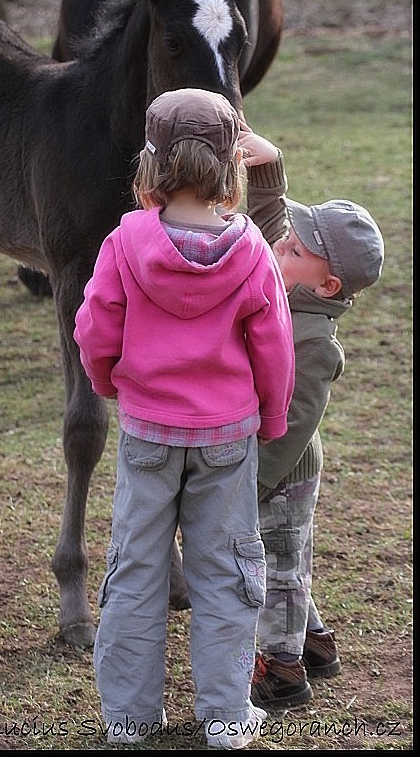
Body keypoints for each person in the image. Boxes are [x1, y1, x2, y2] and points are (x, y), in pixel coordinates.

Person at [74, 88, 295, 748]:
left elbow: (93, 329)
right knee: (225, 571)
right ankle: (225, 717)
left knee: (134, 569)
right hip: (227, 436)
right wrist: (272, 416)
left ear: (153, 164)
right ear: (229, 169)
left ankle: (130, 718)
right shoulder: (252, 248)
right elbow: (274, 343)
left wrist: (108, 381)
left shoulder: (124, 240)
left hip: (146, 430)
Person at [238, 121, 384, 713]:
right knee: (287, 560)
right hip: (267, 458)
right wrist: (267, 166)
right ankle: (316, 644)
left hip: (285, 468)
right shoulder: (287, 278)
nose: (278, 246)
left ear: (327, 285)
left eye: (296, 250)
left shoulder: (316, 340)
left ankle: (284, 670)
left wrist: (255, 482)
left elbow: (295, 422)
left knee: (281, 567)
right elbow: (274, 220)